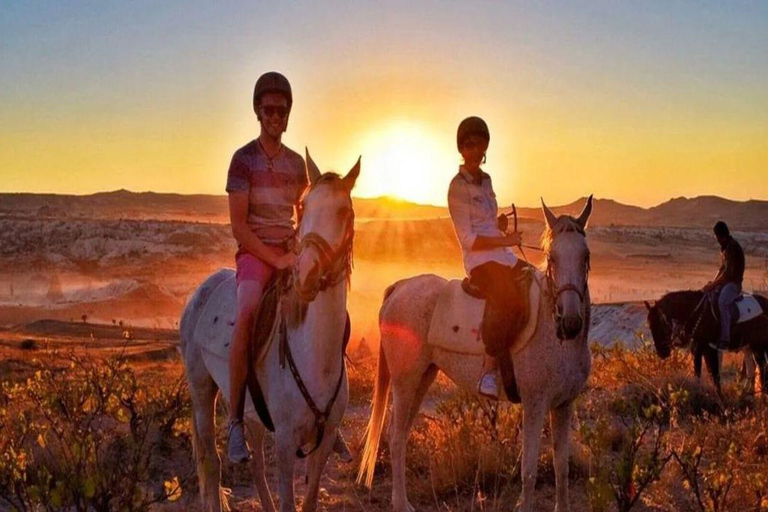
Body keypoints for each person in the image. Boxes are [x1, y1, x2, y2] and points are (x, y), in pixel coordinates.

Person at [225, 72, 351, 463]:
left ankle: (327, 415)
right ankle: (234, 423)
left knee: (337, 319)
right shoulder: (242, 160)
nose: (276, 115)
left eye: (282, 109)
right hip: (256, 255)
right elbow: (239, 227)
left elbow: (307, 213)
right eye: (270, 109)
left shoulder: (297, 164)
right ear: (258, 112)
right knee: (247, 313)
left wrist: (301, 250)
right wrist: (275, 257)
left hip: (292, 252)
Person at [447, 116, 526, 400]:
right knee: (507, 298)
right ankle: (490, 369)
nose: (475, 150)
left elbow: (486, 223)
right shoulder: (457, 186)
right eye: (469, 145)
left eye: (479, 144)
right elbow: (468, 238)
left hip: (501, 255)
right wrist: (505, 240)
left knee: (536, 282)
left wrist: (499, 225)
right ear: (462, 149)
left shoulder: (487, 181)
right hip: (479, 262)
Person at [704, 221, 745, 351]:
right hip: (726, 282)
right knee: (709, 297)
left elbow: (727, 274)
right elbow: (722, 269)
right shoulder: (726, 247)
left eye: (716, 236)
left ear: (720, 235)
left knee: (723, 302)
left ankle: (725, 339)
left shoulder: (733, 247)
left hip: (733, 284)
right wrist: (712, 283)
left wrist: (714, 284)